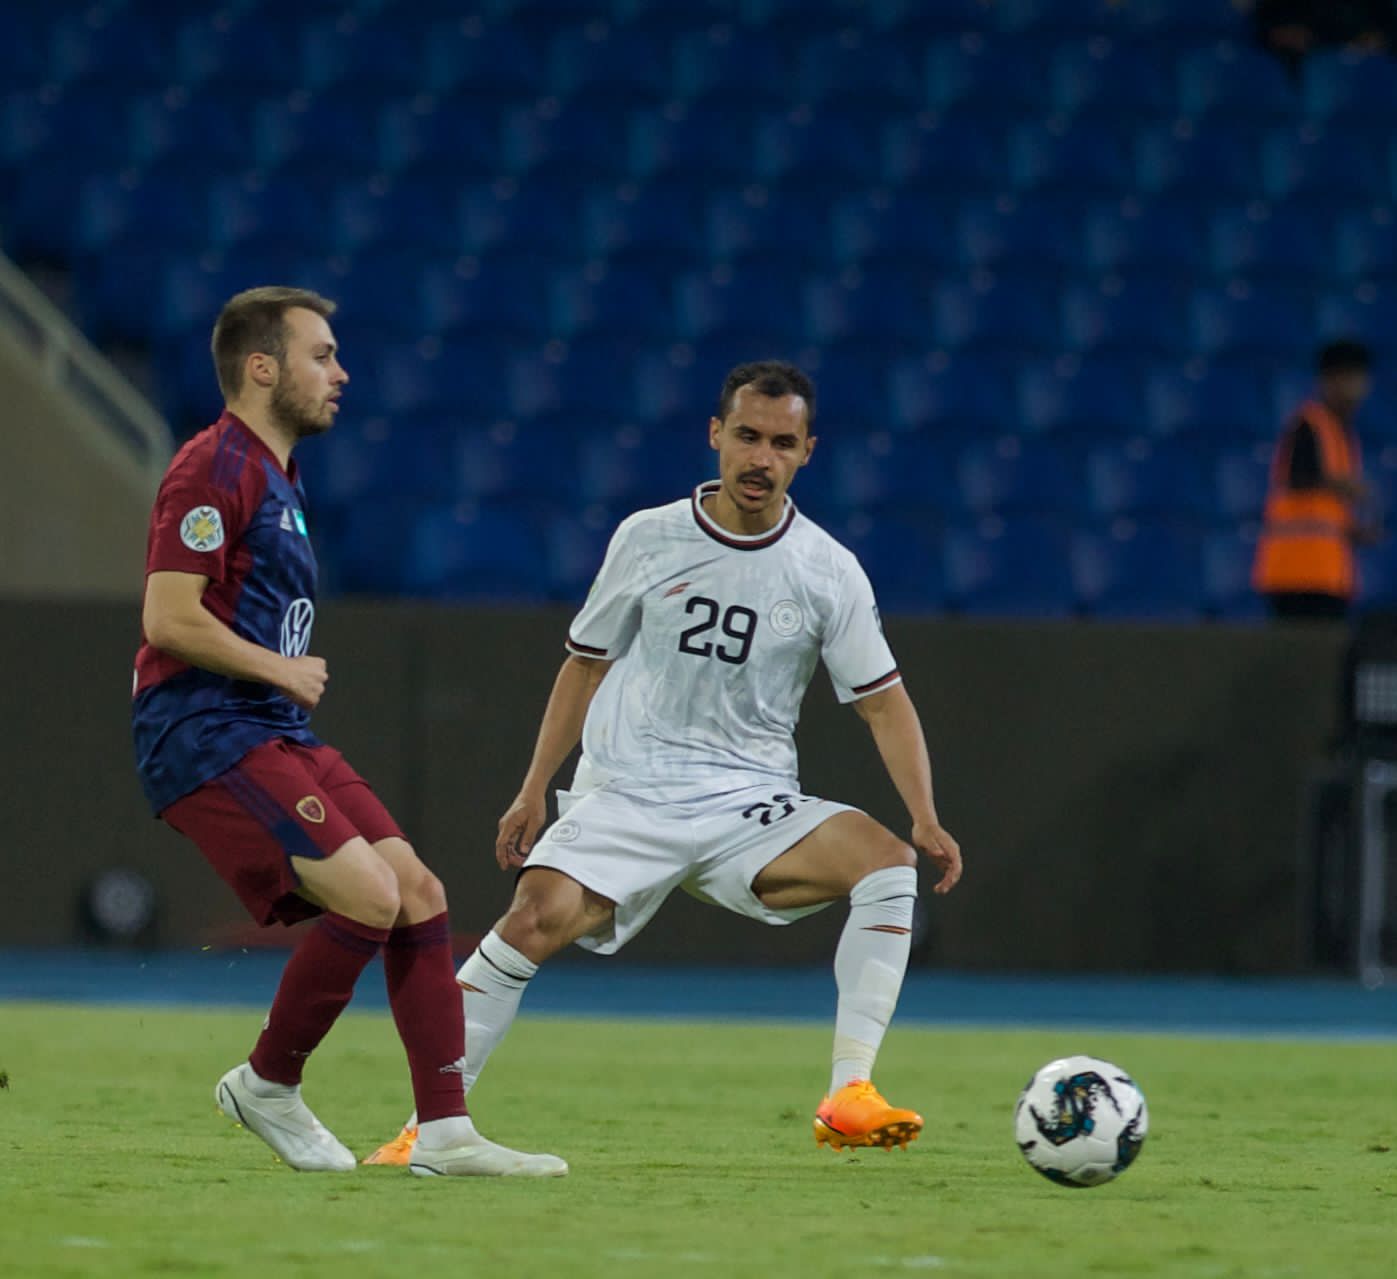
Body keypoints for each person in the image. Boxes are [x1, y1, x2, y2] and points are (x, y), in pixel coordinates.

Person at [365, 360, 963, 1167]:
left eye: (780, 442)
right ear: (715, 434)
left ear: (807, 451)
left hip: (747, 802)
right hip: (630, 788)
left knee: (886, 861)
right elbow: (584, 663)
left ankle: (849, 1091)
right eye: (746, 435)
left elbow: (882, 701)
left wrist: (923, 815)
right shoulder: (648, 537)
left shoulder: (828, 569)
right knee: (530, 921)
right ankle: (425, 1127)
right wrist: (534, 786)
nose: (760, 457)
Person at [132, 286, 565, 1178]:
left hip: (267, 725)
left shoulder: (278, 474)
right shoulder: (212, 467)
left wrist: (276, 683)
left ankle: (444, 1132)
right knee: (369, 893)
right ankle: (266, 1083)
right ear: (262, 367)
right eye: (322, 355)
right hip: (204, 726)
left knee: (417, 890)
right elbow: (167, 617)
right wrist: (278, 667)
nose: (342, 373)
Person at [1253, 339, 1381, 621]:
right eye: (1352, 378)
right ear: (1330, 380)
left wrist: (1353, 531)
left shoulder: (1342, 433)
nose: (1360, 388)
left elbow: (1324, 511)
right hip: (1295, 572)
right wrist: (1347, 486)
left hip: (1328, 572)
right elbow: (1299, 477)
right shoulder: (1308, 424)